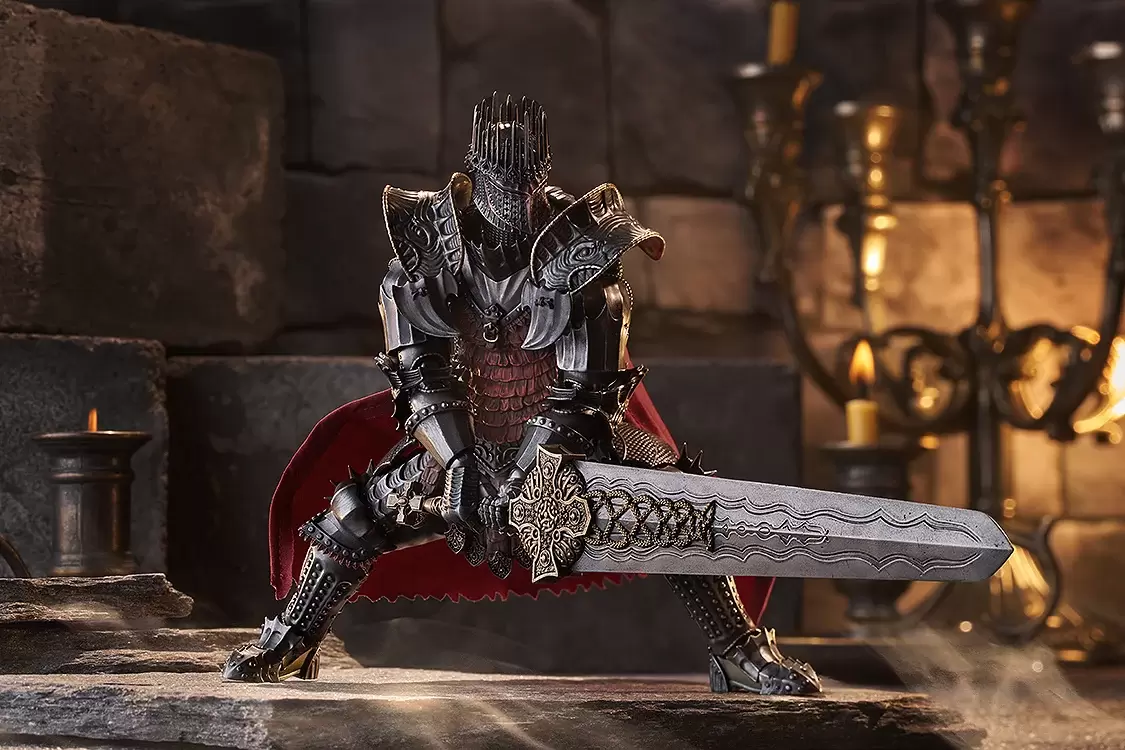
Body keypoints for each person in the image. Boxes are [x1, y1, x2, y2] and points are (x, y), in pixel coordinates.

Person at [222, 93, 821, 696]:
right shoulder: (426, 242)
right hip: (459, 437)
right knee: (354, 515)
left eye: (522, 173)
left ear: (541, 172)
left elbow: (587, 387)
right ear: (474, 170)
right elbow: (418, 372)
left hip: (574, 444)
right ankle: (295, 639)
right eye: (497, 172)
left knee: (680, 507)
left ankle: (735, 649)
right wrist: (459, 460)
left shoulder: (587, 245)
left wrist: (534, 470)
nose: (509, 191)